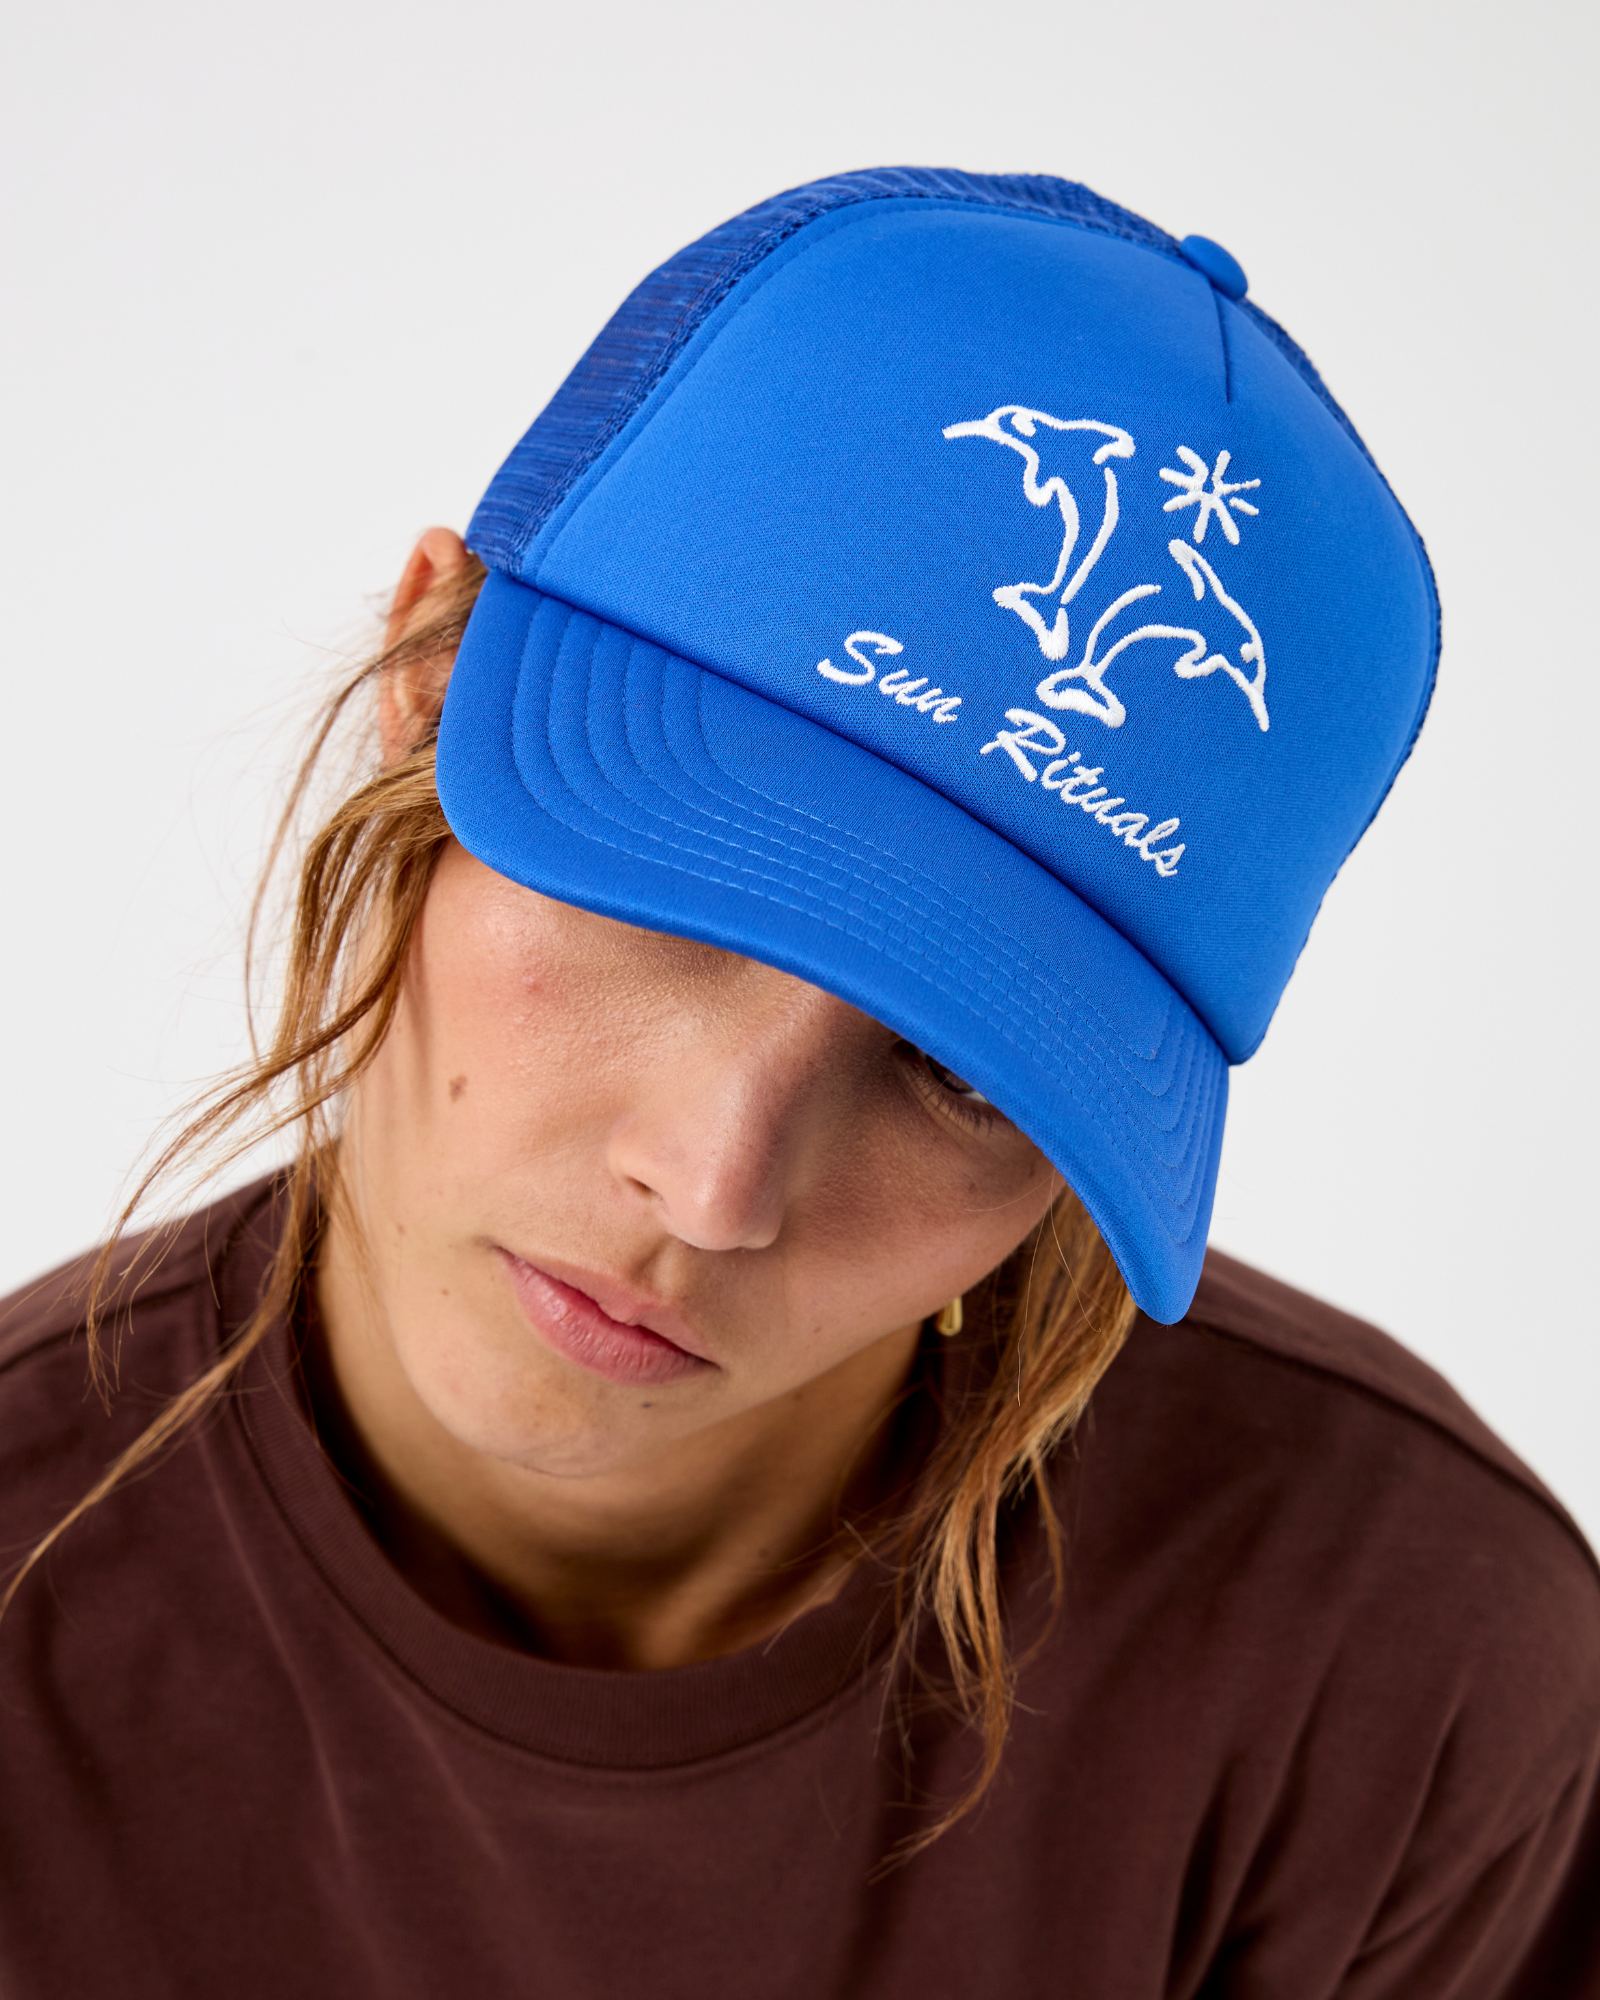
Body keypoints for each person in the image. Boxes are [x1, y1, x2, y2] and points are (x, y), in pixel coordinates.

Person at [1, 165, 1596, 1999]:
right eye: (661, 902)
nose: (713, 1187)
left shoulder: (1394, 1670)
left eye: (962, 1070)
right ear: (427, 677)